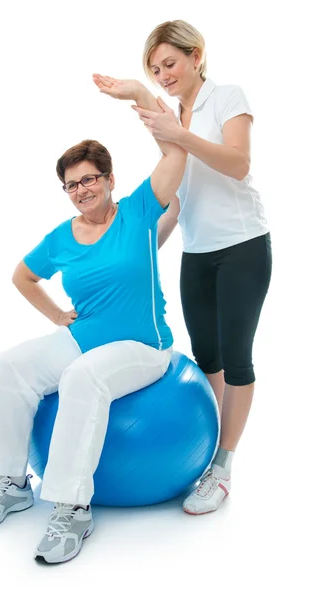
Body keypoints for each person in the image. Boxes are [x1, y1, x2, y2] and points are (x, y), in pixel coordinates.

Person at [0, 134, 187, 563]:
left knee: (81, 378)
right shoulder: (61, 237)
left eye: (89, 180)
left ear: (109, 180)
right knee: (11, 365)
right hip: (82, 338)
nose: (81, 190)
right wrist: (55, 315)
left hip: (143, 345)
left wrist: (142, 100)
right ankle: (12, 484)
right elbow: (23, 276)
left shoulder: (138, 212)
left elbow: (176, 153)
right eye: (72, 184)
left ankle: (73, 509)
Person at [93, 18, 272, 516]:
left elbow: (238, 163)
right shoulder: (176, 115)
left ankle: (223, 464)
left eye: (169, 63)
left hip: (243, 246)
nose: (163, 74)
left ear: (196, 56)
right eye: (154, 70)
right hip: (199, 251)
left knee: (236, 360)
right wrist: (141, 251)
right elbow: (177, 199)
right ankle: (201, 452)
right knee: (206, 357)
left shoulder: (228, 97)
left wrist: (178, 133)